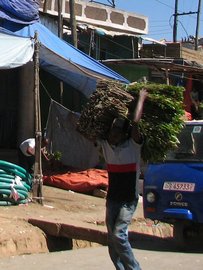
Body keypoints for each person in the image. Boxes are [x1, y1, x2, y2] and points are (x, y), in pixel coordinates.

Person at [98, 88, 148, 270]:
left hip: (128, 200)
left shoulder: (133, 147)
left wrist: (141, 99)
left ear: (124, 134)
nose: (113, 135)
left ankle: (134, 268)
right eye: (112, 132)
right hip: (112, 198)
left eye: (117, 132)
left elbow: (135, 123)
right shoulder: (105, 145)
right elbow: (89, 129)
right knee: (111, 238)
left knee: (119, 234)